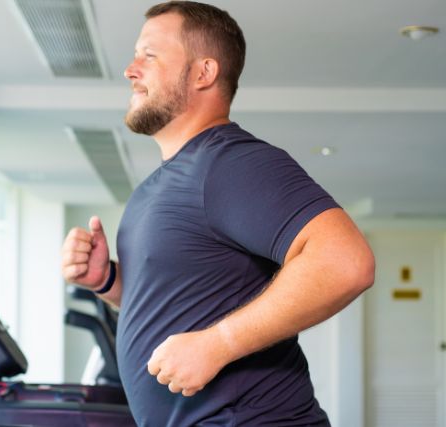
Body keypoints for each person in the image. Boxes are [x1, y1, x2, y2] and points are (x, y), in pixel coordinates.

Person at [60, 1, 375, 426]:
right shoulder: (164, 184)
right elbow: (180, 303)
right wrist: (108, 281)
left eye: (149, 55)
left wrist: (218, 343)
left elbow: (346, 262)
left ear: (203, 73)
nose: (130, 69)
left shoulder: (229, 162)